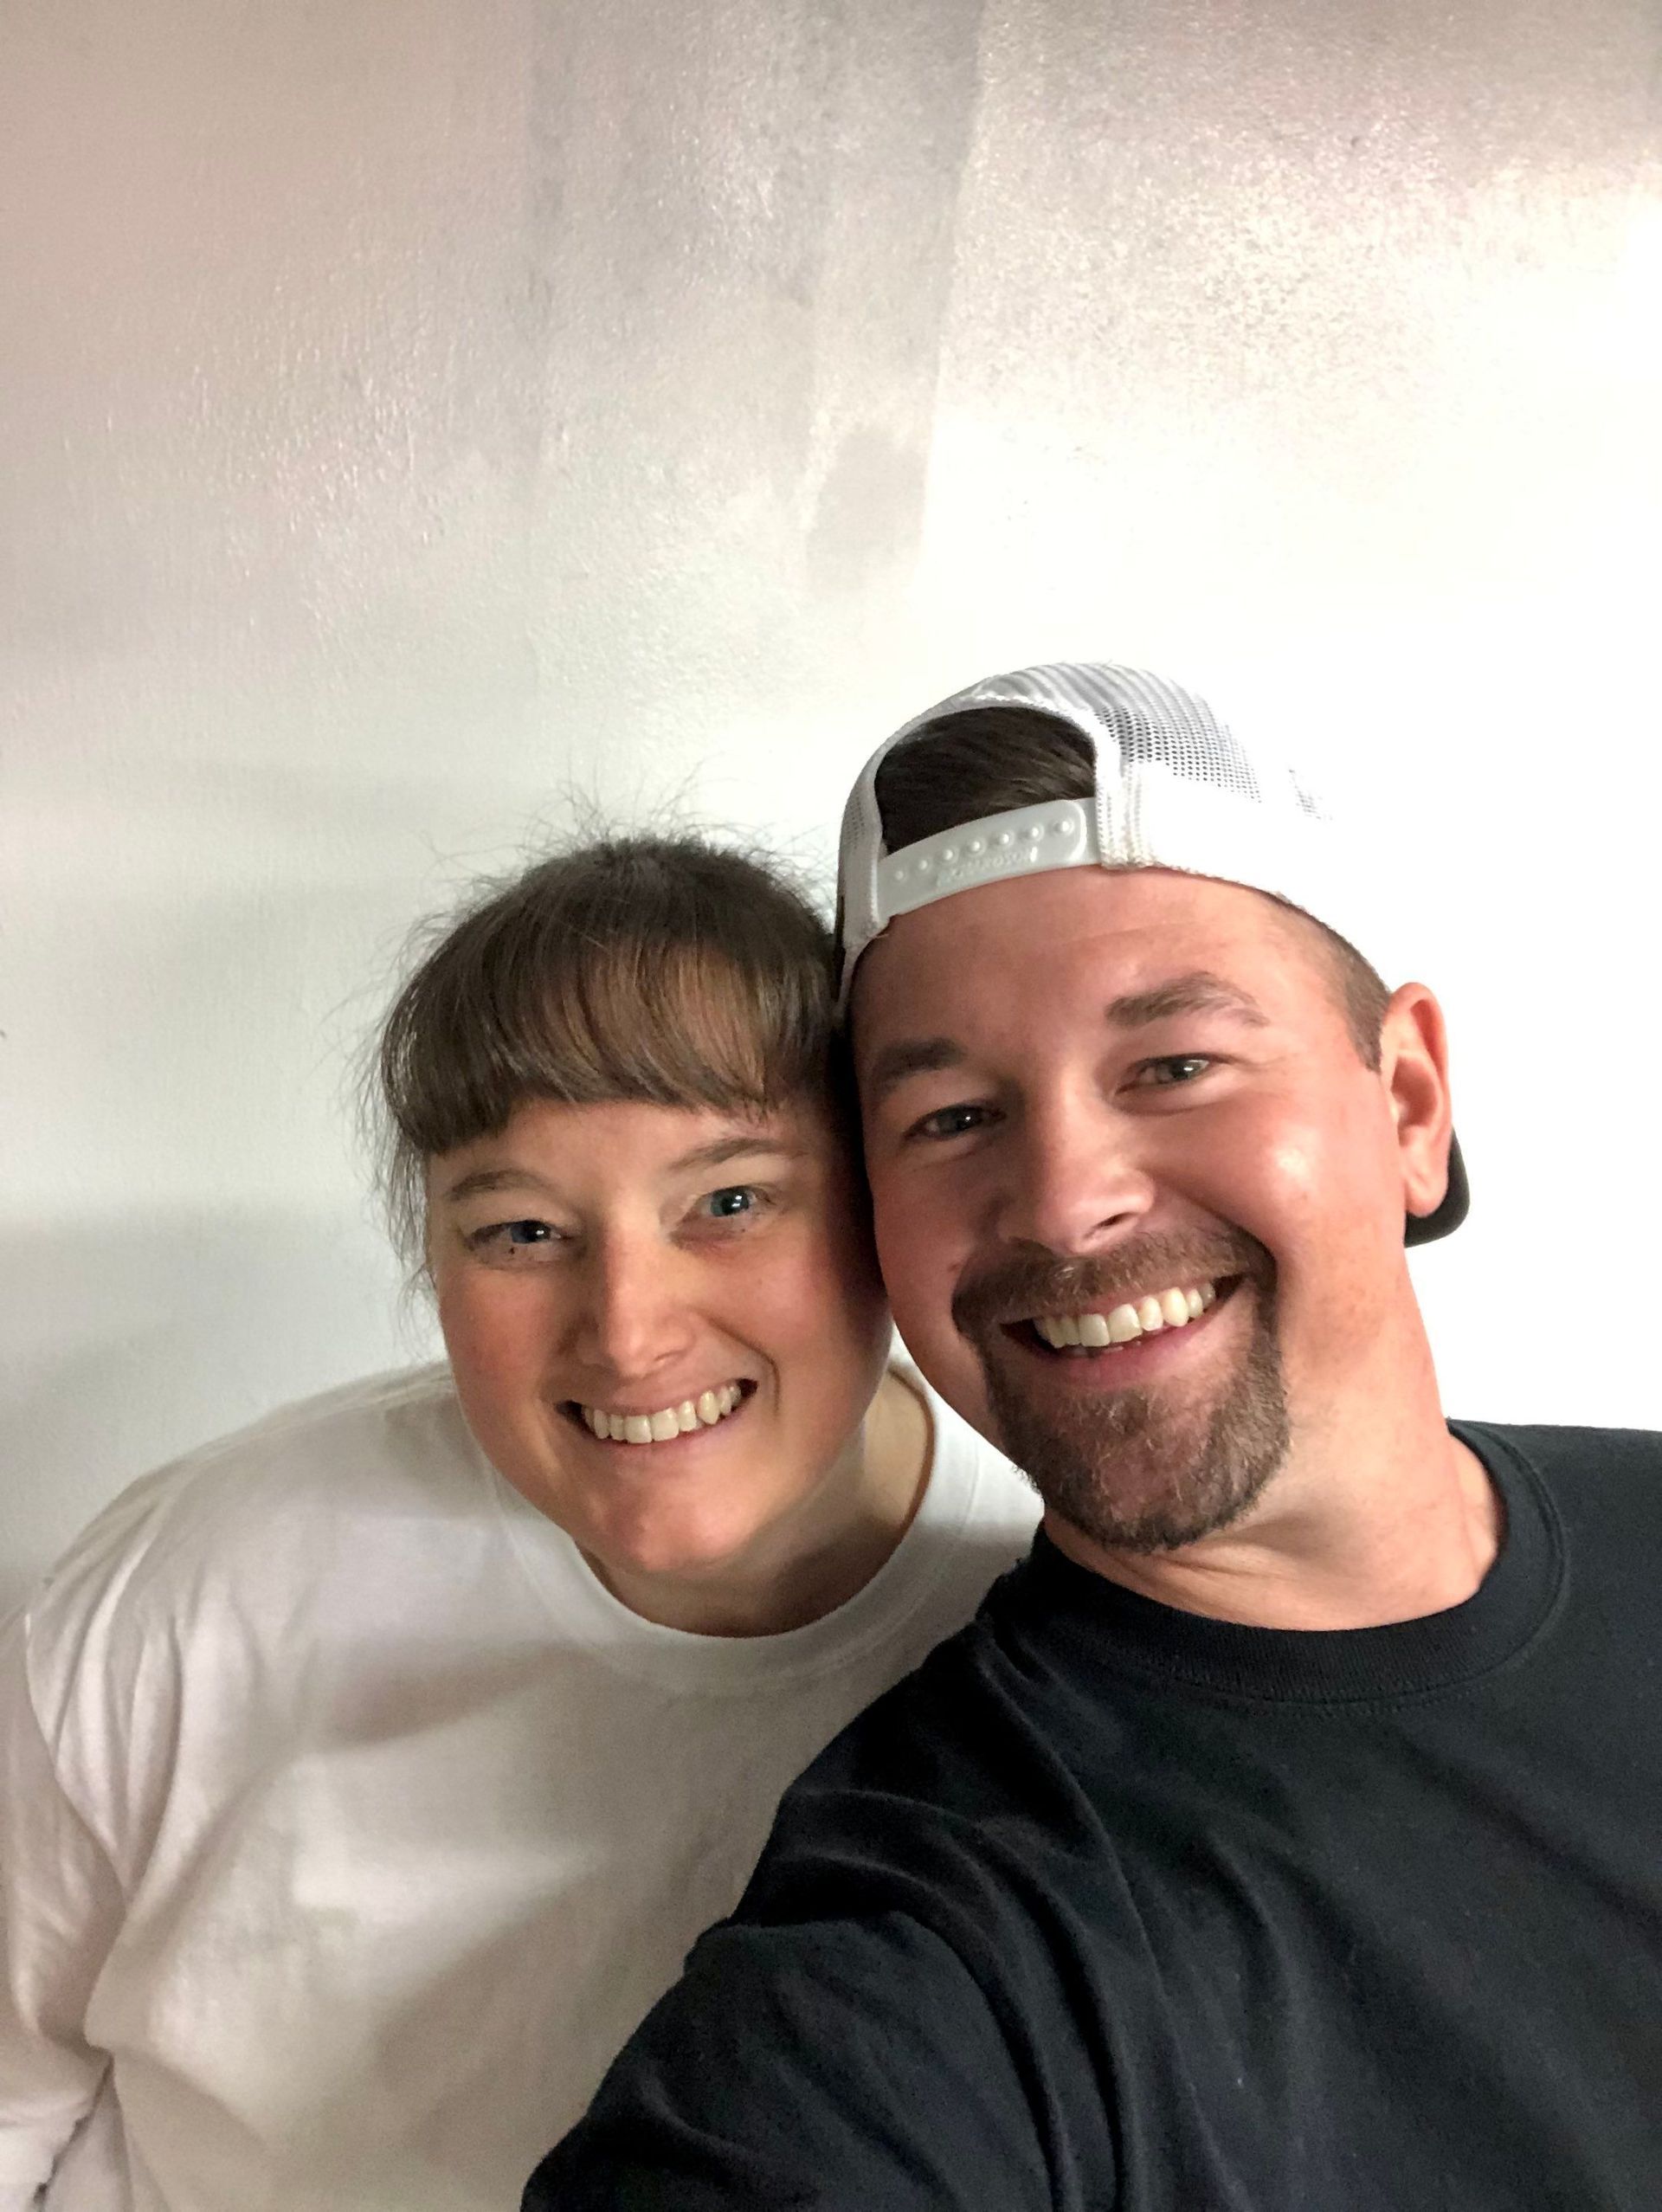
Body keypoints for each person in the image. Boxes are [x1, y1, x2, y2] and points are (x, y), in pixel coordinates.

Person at [528, 664, 1662, 2211]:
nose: (1065, 1206)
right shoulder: (941, 1926)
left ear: (1407, 1103)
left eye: (1175, 1067)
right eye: (951, 1118)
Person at [0, 833, 1040, 2212]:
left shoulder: (1052, 1629)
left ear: (879, 1211)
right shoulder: (198, 1586)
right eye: (524, 1233)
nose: (629, 1332)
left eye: (730, 1202)